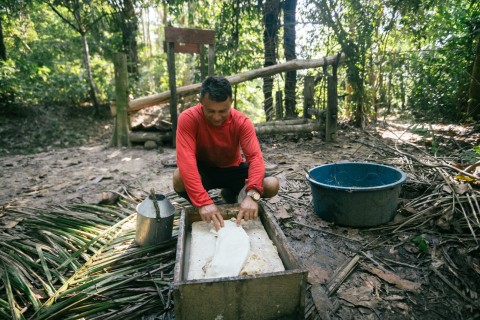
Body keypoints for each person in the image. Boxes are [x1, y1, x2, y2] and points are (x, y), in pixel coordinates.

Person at [173, 76, 279, 230]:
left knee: (271, 184)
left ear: (231, 102)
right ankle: (201, 206)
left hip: (233, 169)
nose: (216, 117)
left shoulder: (242, 122)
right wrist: (203, 202)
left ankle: (230, 194)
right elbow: (186, 161)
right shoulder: (188, 118)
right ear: (200, 102)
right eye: (210, 111)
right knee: (178, 177)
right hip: (204, 170)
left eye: (223, 111)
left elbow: (255, 158)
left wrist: (252, 194)